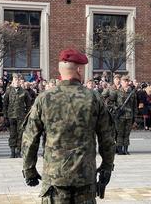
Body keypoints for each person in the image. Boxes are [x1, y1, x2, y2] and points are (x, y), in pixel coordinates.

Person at [22, 48, 115, 203]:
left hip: (54, 177)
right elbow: (107, 137)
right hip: (85, 177)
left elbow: (30, 138)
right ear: (79, 69)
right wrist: (107, 166)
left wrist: (29, 169)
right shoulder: (93, 98)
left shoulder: (44, 99)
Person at [3, 73, 31, 158]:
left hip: (21, 116)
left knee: (20, 134)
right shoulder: (8, 91)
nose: (17, 81)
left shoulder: (24, 92)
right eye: (15, 80)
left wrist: (27, 115)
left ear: (21, 81)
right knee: (12, 134)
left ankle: (18, 151)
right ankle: (12, 151)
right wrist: (5, 116)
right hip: (11, 116)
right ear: (13, 81)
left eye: (19, 80)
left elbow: (29, 105)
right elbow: (5, 104)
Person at [116, 75, 137, 155]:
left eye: (127, 81)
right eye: (124, 81)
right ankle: (120, 150)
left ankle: (126, 149)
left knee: (127, 133)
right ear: (121, 82)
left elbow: (135, 106)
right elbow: (111, 102)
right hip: (120, 116)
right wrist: (117, 109)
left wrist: (134, 117)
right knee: (120, 133)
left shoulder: (132, 93)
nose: (126, 83)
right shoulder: (117, 92)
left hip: (129, 115)